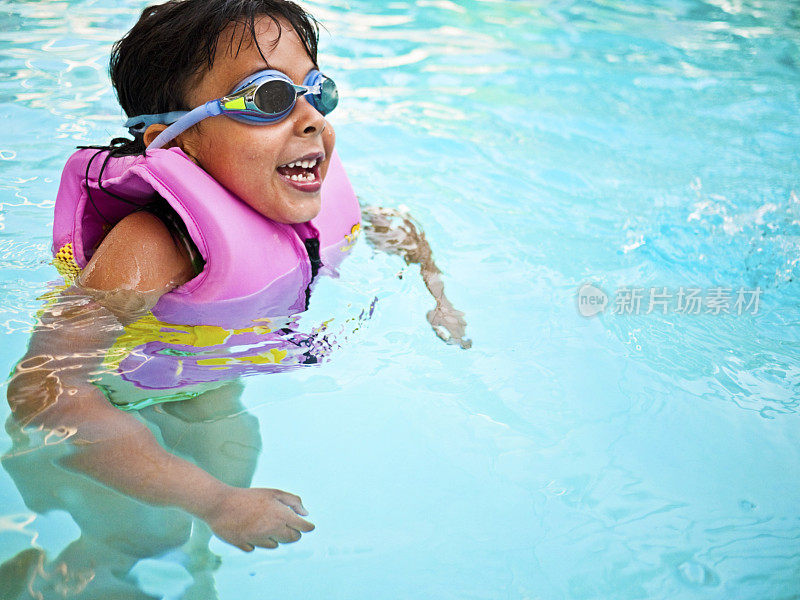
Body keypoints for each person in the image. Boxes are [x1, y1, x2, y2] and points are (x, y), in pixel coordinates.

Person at [5, 0, 469, 567]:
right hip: (119, 397)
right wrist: (214, 501)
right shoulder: (152, 245)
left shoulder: (294, 194)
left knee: (227, 469)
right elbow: (44, 390)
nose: (311, 119)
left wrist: (436, 291)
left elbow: (385, 222)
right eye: (268, 98)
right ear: (176, 142)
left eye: (316, 92)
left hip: (209, 380)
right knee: (145, 538)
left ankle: (195, 571)